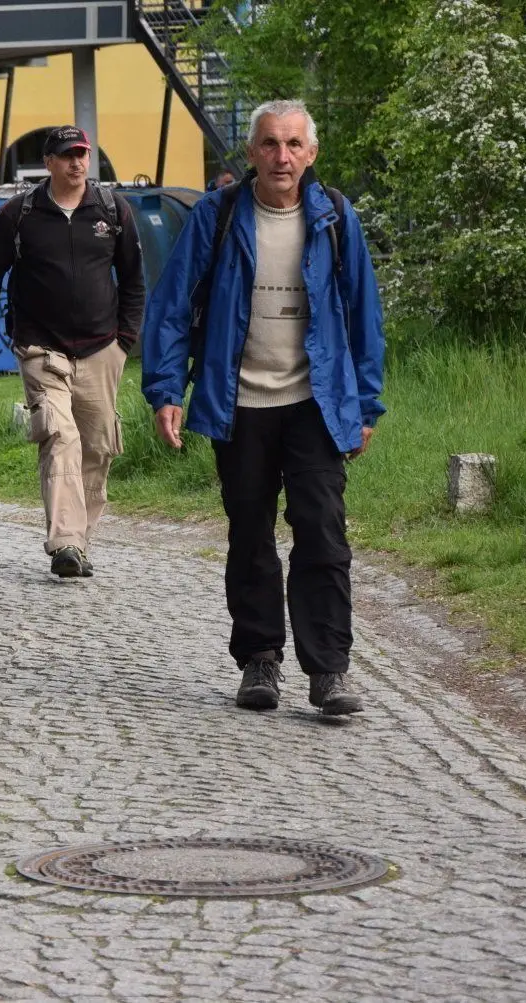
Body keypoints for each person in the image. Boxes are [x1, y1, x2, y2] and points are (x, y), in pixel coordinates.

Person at [141, 99, 385, 717]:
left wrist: (366, 405)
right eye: (270, 144)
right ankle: (260, 660)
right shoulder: (217, 216)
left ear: (312, 152)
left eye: (294, 145)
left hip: (316, 403)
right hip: (238, 401)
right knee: (250, 533)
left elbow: (363, 315)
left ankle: (328, 670)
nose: (282, 157)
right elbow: (171, 306)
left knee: (323, 532)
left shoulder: (335, 218)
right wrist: (167, 389)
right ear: (250, 153)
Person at [0, 124, 145, 579]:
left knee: (98, 447)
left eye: (82, 154)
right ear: (49, 163)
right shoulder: (20, 214)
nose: (77, 162)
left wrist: (125, 342)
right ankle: (65, 542)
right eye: (67, 155)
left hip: (102, 348)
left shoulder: (112, 210)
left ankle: (80, 540)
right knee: (60, 437)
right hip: (41, 347)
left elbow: (135, 280)